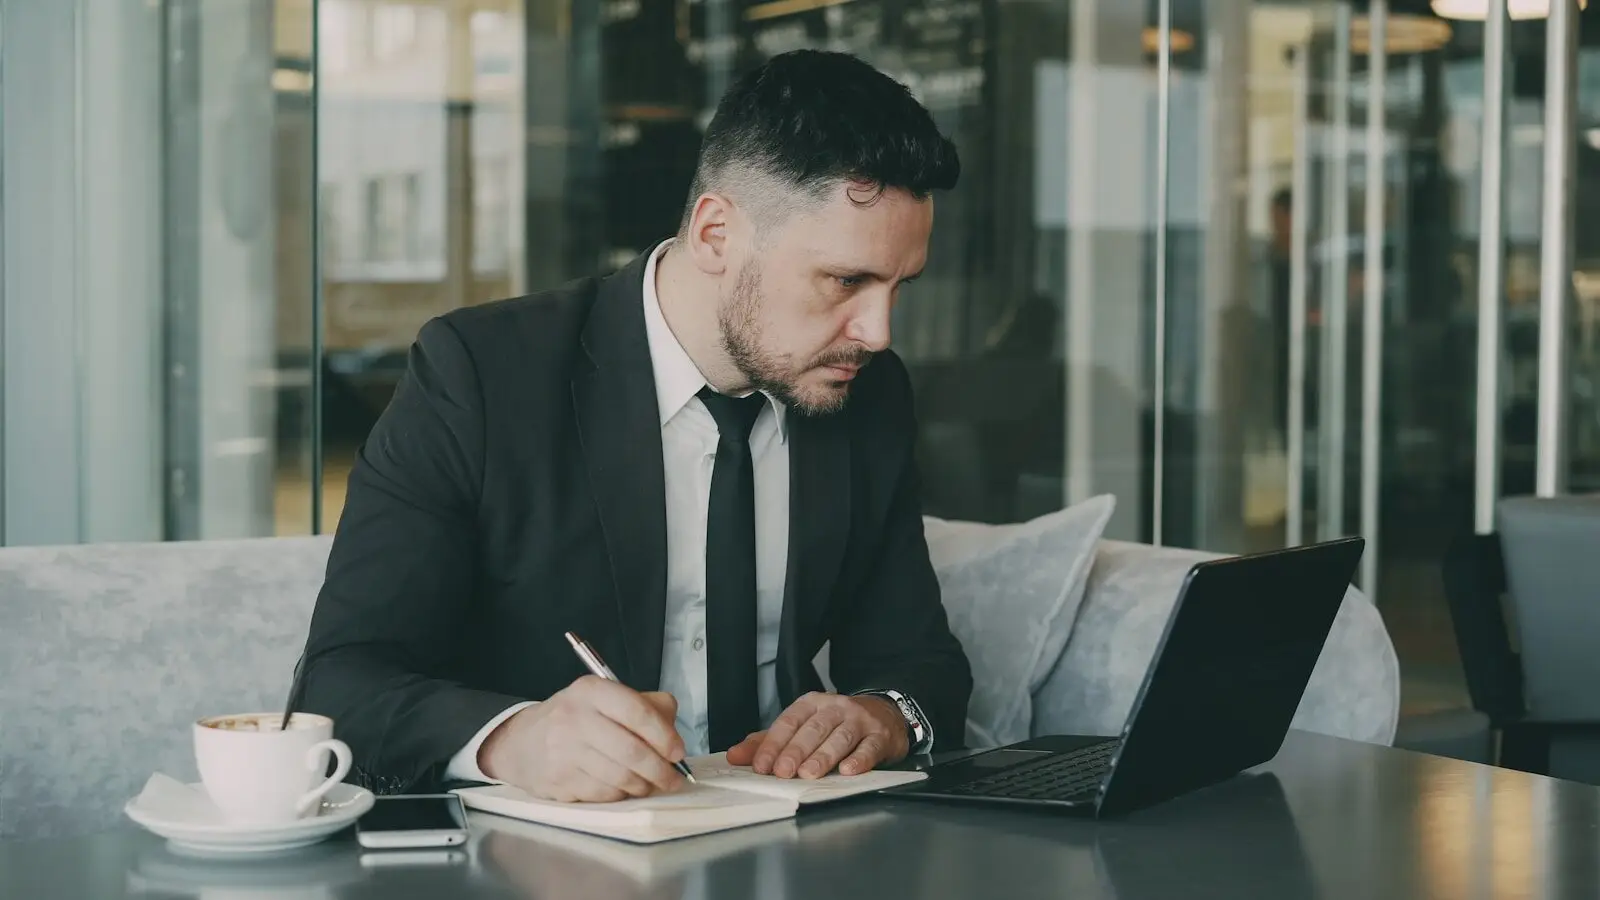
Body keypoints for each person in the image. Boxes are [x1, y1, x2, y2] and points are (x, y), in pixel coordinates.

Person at [294, 48, 973, 804]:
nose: (878, 331)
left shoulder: (867, 394)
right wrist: (514, 739)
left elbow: (922, 664)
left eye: (898, 286)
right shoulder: (480, 376)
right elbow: (338, 686)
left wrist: (882, 716)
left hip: (789, 845)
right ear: (717, 234)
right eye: (846, 280)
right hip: (541, 854)